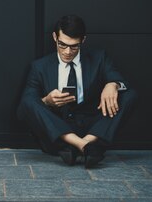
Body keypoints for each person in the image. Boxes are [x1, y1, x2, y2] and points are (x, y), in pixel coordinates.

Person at [17, 15, 136, 167]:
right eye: (62, 45)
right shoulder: (39, 67)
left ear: (83, 40)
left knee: (130, 95)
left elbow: (122, 82)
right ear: (55, 37)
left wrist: (113, 85)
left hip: (93, 127)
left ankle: (82, 144)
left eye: (74, 46)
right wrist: (47, 101)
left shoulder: (99, 58)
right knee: (28, 101)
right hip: (59, 128)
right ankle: (84, 147)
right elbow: (23, 109)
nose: (67, 51)